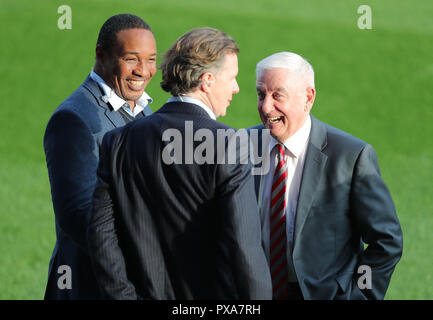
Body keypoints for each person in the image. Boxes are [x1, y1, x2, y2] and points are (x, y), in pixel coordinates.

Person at [87, 27, 272, 300]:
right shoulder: (230, 144)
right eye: (232, 78)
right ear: (207, 80)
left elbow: (101, 236)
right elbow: (244, 249)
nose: (236, 87)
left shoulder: (118, 142)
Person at [249, 52, 403, 300]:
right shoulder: (239, 147)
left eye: (278, 95)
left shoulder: (351, 156)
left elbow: (386, 241)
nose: (266, 107)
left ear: (308, 98)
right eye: (260, 94)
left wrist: (360, 296)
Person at [43, 14, 157, 299]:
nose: (143, 71)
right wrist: (142, 259)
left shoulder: (145, 111)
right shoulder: (74, 119)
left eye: (151, 59)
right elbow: (79, 216)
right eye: (131, 59)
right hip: (90, 285)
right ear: (101, 55)